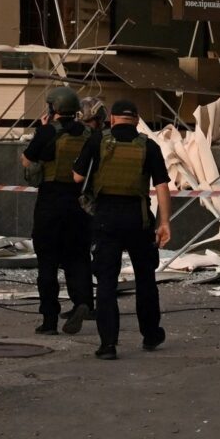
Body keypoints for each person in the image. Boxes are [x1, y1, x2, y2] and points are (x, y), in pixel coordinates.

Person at [76, 96, 172, 361]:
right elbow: (162, 186)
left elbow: (77, 177)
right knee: (145, 279)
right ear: (137, 120)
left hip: (105, 220)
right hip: (139, 220)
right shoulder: (149, 146)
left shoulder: (97, 141)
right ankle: (151, 334)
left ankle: (108, 344)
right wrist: (164, 222)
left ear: (112, 119)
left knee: (106, 282)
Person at [20, 84, 94, 337]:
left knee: (48, 263)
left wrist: (41, 130)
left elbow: (27, 161)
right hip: (80, 204)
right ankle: (83, 302)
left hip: (50, 203)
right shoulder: (88, 134)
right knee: (79, 258)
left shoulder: (47, 132)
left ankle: (49, 320)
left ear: (54, 108)